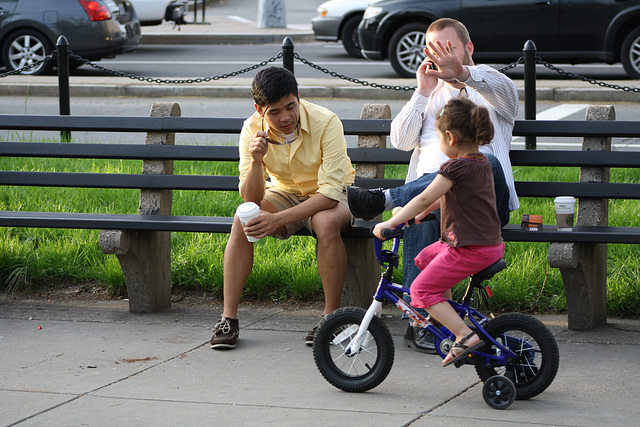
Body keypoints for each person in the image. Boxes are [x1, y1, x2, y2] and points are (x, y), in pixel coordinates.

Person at [347, 18, 519, 354]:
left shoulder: (490, 87)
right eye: (434, 51)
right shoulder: (430, 97)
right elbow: (401, 140)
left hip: (484, 205)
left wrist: (462, 75)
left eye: (449, 48)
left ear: (468, 49)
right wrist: (422, 92)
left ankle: (385, 199)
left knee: (482, 166)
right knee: (424, 210)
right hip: (436, 204)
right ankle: (422, 322)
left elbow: (508, 95)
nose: (442, 58)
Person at [210, 67, 355, 350]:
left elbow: (328, 195)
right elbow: (251, 199)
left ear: (298, 97)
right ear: (259, 109)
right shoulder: (251, 128)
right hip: (285, 192)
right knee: (242, 221)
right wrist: (255, 161)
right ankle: (228, 319)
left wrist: (276, 219)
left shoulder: (326, 122)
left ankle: (331, 318)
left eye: (291, 106)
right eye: (274, 112)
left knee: (325, 223)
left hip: (336, 195)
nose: (286, 117)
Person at [373, 97, 504, 367]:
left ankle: (463, 334)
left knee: (419, 291)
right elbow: (438, 199)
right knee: (424, 258)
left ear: (450, 137)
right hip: (483, 244)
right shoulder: (480, 163)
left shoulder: (453, 167)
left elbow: (422, 197)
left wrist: (389, 222)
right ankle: (446, 318)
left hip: (469, 248)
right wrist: (419, 214)